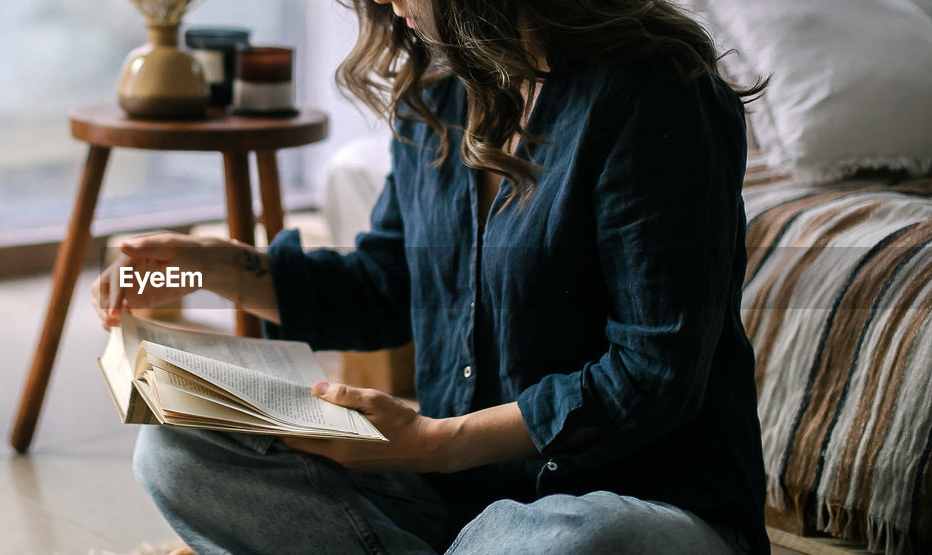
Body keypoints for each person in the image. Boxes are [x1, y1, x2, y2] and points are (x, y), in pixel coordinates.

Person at [91, 0, 769, 552]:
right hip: (458, 500)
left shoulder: (656, 89)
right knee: (176, 449)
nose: (386, 3)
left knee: (567, 540)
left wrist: (436, 442)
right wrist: (214, 267)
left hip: (635, 502)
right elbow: (385, 285)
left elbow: (652, 375)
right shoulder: (439, 93)